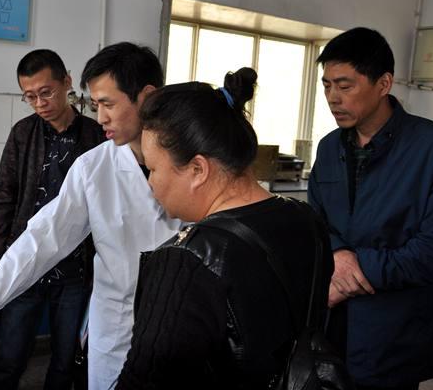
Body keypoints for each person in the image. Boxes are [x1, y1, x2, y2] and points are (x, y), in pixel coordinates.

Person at [0, 42, 182, 390]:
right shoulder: (92, 166)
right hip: (116, 329)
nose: (101, 117)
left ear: (146, 96)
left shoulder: (192, 164)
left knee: (65, 363)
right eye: (96, 105)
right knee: (14, 356)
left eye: (108, 104)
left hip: (176, 325)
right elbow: (42, 237)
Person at [115, 69, 334, 389]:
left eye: (153, 169)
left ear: (198, 169)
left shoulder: (187, 260)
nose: (150, 184)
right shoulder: (306, 220)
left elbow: (144, 380)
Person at [307, 27, 433, 390]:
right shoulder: (329, 147)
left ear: (384, 84)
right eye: (327, 86)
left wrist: (354, 271)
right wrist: (337, 252)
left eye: (345, 86)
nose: (333, 98)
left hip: (396, 333)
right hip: (332, 329)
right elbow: (315, 220)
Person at [0, 49, 105, 390]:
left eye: (46, 92)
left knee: (65, 360)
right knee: (10, 357)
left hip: (74, 270)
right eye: (30, 96)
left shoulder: (95, 135)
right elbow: (5, 196)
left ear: (67, 82)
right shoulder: (23, 134)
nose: (39, 103)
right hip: (27, 262)